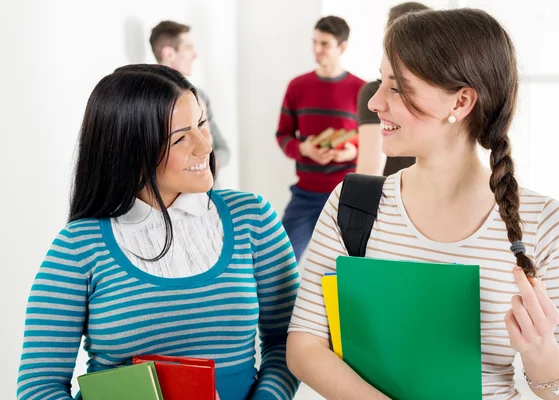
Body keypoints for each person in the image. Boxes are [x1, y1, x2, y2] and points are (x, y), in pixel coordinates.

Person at [287, 9, 559, 400]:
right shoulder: (352, 205)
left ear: (461, 101)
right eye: (381, 82)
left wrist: (539, 349)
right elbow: (305, 347)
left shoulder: (550, 227)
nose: (375, 102)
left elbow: (558, 391)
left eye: (397, 87)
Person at [16, 64, 300, 400]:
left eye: (202, 124)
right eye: (180, 137)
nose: (204, 146)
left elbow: (288, 342)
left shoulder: (252, 217)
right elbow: (39, 387)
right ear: (131, 152)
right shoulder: (77, 248)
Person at [276, 16, 365, 260]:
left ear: (342, 47)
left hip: (346, 195)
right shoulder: (297, 86)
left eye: (324, 43)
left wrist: (353, 152)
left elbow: (372, 141)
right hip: (304, 195)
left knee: (347, 268)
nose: (317, 49)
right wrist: (304, 149)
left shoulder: (362, 89)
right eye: (314, 42)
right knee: (282, 261)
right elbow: (282, 135)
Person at [355, 2, 429, 176]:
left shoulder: (373, 92)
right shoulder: (438, 94)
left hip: (387, 197)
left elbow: (369, 171)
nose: (375, 104)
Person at [150, 20, 231, 170]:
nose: (195, 54)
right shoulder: (148, 102)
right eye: (188, 47)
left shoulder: (201, 96)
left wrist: (204, 166)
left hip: (208, 190)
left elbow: (224, 150)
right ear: (169, 53)